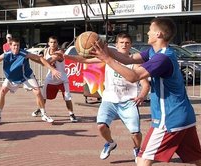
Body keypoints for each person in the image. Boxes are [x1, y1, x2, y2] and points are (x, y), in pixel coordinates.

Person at [91, 17, 201, 165]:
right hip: (184, 117)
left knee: (142, 160)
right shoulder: (153, 52)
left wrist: (107, 59)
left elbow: (133, 76)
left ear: (159, 34)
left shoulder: (162, 58)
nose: (147, 32)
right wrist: (105, 49)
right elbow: (128, 59)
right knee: (197, 159)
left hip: (169, 118)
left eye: (150, 29)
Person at [64, 33, 150, 161]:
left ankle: (137, 148)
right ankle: (110, 142)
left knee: (135, 133)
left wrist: (142, 95)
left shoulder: (135, 64)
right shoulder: (108, 58)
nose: (124, 45)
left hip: (128, 101)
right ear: (116, 45)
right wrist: (66, 56)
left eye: (127, 43)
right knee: (101, 125)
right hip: (109, 99)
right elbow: (85, 60)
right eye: (121, 43)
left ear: (130, 45)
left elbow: (145, 84)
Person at [0, 38, 61, 125]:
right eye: (14, 45)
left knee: (38, 92)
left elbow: (40, 59)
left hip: (26, 77)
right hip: (12, 78)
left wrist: (52, 69)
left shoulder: (24, 53)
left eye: (18, 45)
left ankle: (44, 114)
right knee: (2, 91)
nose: (16, 47)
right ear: (10, 46)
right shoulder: (6, 54)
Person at [32, 36, 78, 122]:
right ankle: (40, 109)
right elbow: (43, 61)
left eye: (55, 42)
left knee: (67, 97)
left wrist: (33, 57)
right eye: (51, 42)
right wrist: (34, 57)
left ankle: (71, 114)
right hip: (50, 79)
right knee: (43, 97)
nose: (53, 44)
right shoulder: (46, 50)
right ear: (48, 43)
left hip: (62, 79)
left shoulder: (60, 52)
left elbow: (47, 62)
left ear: (57, 43)